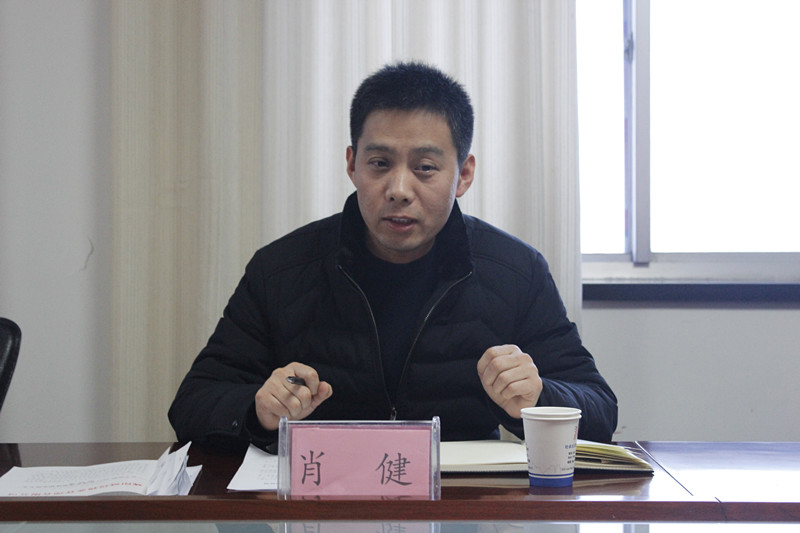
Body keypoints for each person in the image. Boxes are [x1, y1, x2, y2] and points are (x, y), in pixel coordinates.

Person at [168, 62, 617, 452]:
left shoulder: (516, 271)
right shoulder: (281, 270)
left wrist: (538, 399)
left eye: (425, 168)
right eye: (380, 163)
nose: (399, 190)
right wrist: (257, 411)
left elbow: (599, 408)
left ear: (463, 175)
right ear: (352, 164)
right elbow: (192, 404)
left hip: (459, 502)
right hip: (325, 499)